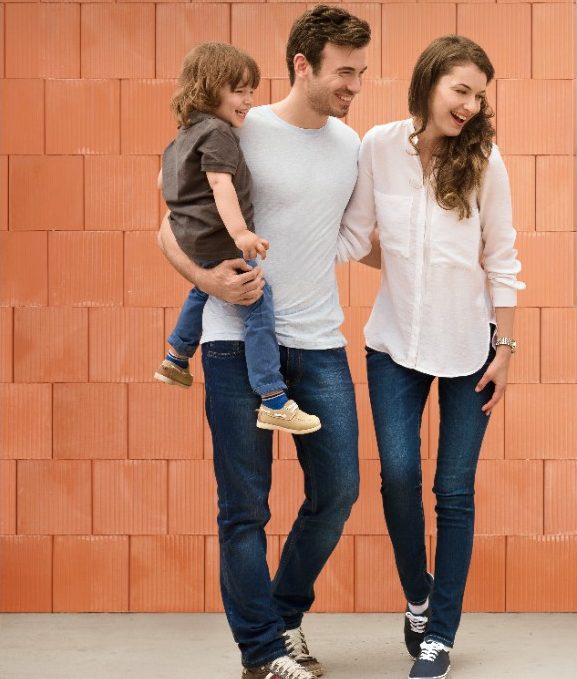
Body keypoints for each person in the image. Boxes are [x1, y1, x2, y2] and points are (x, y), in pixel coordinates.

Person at [156, 6, 371, 679]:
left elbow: (350, 237)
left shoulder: (350, 145)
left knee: (338, 491)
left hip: (320, 341)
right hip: (233, 342)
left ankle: (283, 617)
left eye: (361, 73)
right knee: (244, 508)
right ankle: (262, 652)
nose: (355, 85)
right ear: (303, 64)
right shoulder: (239, 130)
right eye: (344, 71)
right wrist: (207, 280)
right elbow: (169, 224)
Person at [337, 35, 524, 679]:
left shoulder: (485, 160)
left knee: (454, 491)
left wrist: (506, 348)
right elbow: (356, 236)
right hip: (394, 343)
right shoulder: (378, 146)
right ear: (428, 84)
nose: (469, 105)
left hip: (470, 345)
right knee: (398, 477)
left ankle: (439, 634)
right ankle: (418, 596)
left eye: (478, 95)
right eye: (460, 90)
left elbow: (501, 257)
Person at [154, 41, 320, 435]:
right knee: (258, 302)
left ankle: (176, 357)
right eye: (239, 91)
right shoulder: (218, 132)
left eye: (251, 91)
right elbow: (219, 183)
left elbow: (162, 182)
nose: (248, 101)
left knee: (203, 290)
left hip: (194, 238)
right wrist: (241, 232)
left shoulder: (184, 135)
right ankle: (273, 398)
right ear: (210, 88)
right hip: (219, 238)